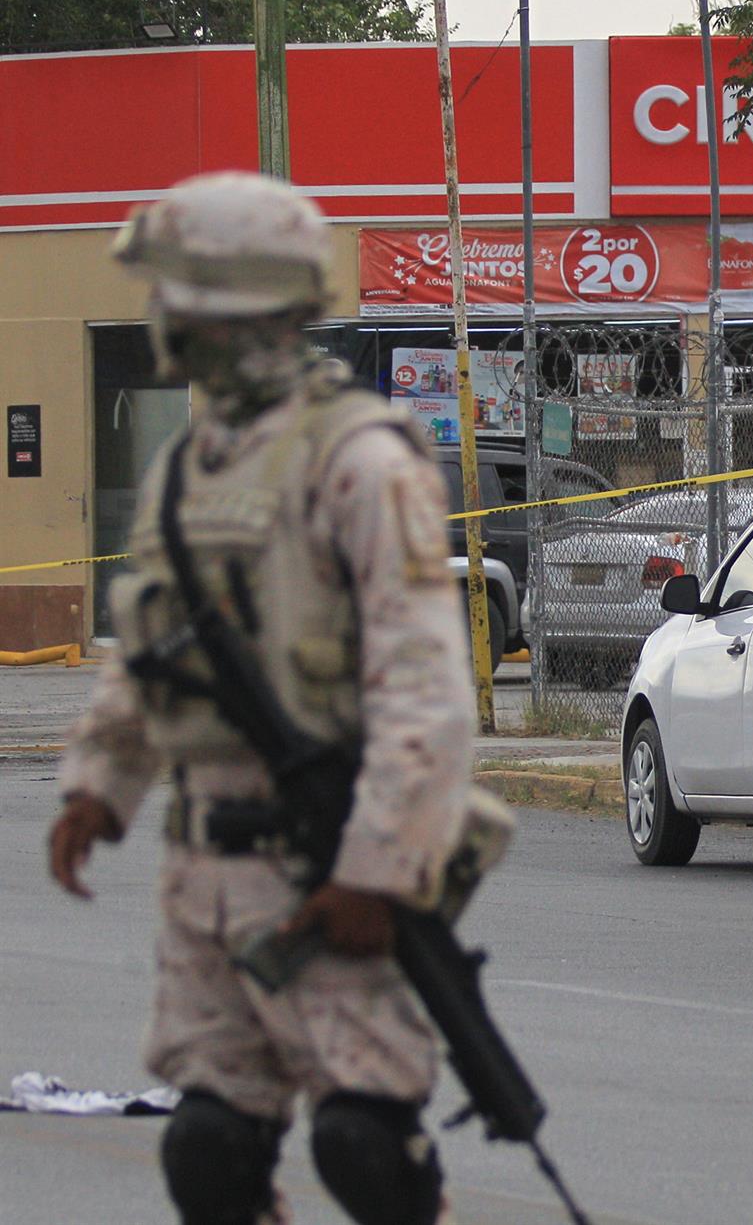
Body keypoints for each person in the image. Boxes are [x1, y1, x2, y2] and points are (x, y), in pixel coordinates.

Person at [46, 172, 474, 1224]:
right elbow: (150, 651)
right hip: (204, 872)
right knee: (208, 1147)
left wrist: (380, 867)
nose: (164, 318)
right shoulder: (186, 470)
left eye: (180, 293)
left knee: (365, 1145)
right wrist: (99, 784)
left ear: (240, 303)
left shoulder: (363, 462)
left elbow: (426, 688)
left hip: (323, 859)